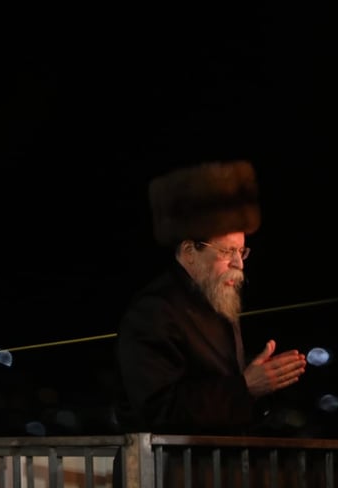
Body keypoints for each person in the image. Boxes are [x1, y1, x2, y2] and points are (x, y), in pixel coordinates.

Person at [114, 159, 307, 433]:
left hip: (212, 470)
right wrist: (245, 387)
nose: (239, 265)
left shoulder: (217, 303)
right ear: (190, 251)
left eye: (241, 252)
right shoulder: (153, 311)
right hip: (167, 472)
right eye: (227, 252)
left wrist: (261, 387)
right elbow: (157, 410)